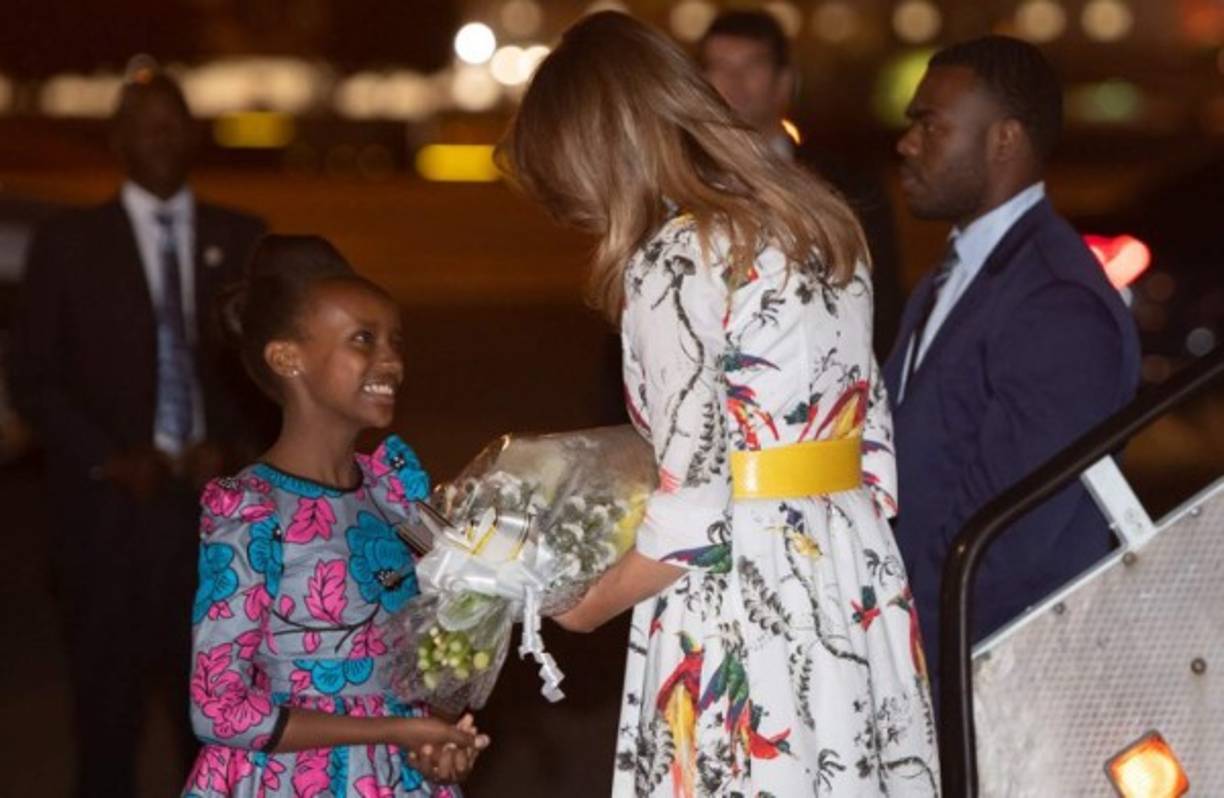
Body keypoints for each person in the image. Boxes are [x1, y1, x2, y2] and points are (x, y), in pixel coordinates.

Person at [500, 12, 939, 796]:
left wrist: (585, 606)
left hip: (744, 590)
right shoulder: (818, 219)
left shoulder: (678, 257)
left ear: (603, 152)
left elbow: (696, 500)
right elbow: (870, 430)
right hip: (850, 563)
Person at [7, 70, 269, 796]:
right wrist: (109, 459)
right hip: (107, 527)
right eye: (144, 123)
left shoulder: (242, 238)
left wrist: (234, 449)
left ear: (193, 133)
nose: (160, 135)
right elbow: (32, 378)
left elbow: (276, 373)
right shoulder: (68, 244)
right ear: (118, 141)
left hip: (216, 528)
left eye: (172, 120)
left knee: (215, 735)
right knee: (106, 731)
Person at [184, 234, 488, 796]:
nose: (392, 361)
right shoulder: (252, 511)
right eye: (363, 340)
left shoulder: (396, 494)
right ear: (287, 358)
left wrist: (436, 744)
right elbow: (217, 709)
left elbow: (452, 638)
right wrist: (394, 730)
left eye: (396, 341)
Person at [883, 36, 1141, 690]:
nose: (907, 144)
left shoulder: (1056, 301)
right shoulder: (955, 273)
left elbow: (1006, 540)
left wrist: (902, 655)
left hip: (988, 681)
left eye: (930, 125)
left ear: (1005, 139)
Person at [697, 9, 904, 360]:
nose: (734, 81)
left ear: (785, 81)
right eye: (720, 66)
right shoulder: (676, 183)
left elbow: (881, 299)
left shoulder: (844, 186)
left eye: (751, 66)